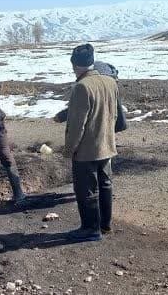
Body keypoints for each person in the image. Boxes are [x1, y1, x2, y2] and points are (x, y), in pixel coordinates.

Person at [64, 44, 118, 241]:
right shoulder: (110, 82)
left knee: (86, 189)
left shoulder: (82, 87)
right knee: (105, 185)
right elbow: (115, 114)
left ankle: (90, 229)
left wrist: (70, 150)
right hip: (107, 145)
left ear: (75, 65)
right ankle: (105, 225)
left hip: (87, 149)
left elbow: (78, 124)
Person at [54, 61, 128, 133]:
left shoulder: (90, 81)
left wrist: (61, 116)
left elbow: (80, 106)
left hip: (103, 77)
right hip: (105, 76)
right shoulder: (95, 76)